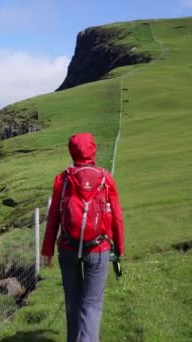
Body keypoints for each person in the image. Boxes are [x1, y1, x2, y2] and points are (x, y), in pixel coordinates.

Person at [41, 132, 125, 342]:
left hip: (68, 249)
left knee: (72, 302)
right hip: (98, 249)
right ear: (93, 150)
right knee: (92, 304)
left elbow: (54, 217)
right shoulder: (106, 178)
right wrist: (120, 248)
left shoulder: (63, 178)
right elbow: (117, 216)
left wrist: (47, 250)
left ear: (72, 151)